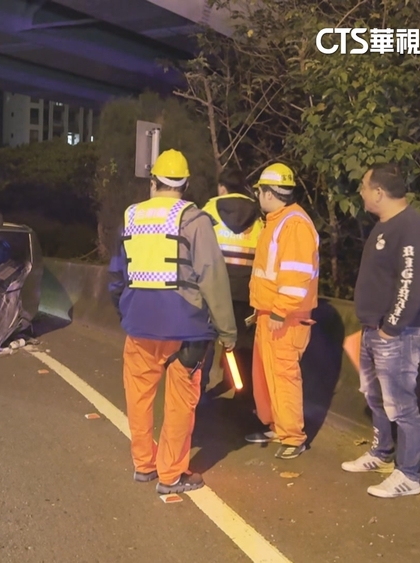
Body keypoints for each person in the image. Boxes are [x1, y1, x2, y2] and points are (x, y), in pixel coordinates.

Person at [108, 149, 237, 494]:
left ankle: (143, 465)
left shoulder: (131, 216)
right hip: (186, 328)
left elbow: (117, 275)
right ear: (185, 185)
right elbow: (212, 277)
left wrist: (126, 309)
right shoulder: (194, 220)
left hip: (139, 325)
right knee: (180, 401)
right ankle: (171, 474)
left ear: (153, 182)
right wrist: (226, 330)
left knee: (138, 397)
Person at [343, 163, 420, 498]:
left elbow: (412, 283)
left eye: (365, 186)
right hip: (374, 330)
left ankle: (408, 474)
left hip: (398, 334)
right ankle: (381, 453)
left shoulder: (411, 228)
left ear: (379, 192)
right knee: (376, 398)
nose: (362, 192)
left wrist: (391, 328)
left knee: (401, 405)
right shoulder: (383, 226)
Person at [246, 163, 320, 459]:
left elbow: (296, 274)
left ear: (267, 193)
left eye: (259, 191)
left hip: (285, 317)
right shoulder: (278, 221)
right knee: (269, 376)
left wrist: (278, 311)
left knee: (284, 376)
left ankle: (293, 437)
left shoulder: (293, 224)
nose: (258, 197)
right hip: (272, 313)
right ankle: (279, 427)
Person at [202, 168, 264, 398]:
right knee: (243, 342)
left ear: (222, 187)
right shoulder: (259, 216)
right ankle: (244, 393)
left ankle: (198, 390)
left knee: (205, 340)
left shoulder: (208, 212)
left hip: (212, 289)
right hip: (247, 290)